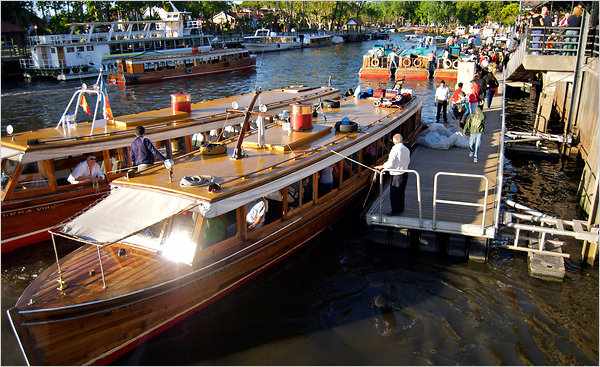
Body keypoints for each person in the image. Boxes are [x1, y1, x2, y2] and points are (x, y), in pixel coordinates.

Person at [374, 133, 410, 214]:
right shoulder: (406, 149)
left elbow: (390, 164)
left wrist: (382, 166)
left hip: (397, 174)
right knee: (401, 192)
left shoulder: (395, 149)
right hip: (405, 173)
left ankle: (395, 211)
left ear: (394, 140)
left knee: (394, 193)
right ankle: (401, 208)